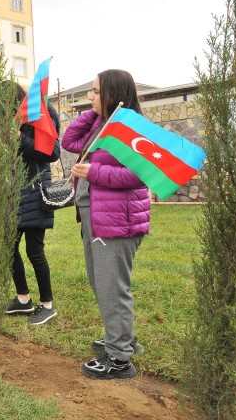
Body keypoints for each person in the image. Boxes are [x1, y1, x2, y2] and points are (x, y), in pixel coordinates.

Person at [61, 69, 150, 379]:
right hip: (95, 217)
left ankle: (119, 358)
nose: (90, 96)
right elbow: (69, 140)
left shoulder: (131, 129)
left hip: (116, 222)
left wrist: (94, 174)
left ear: (112, 93)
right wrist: (94, 113)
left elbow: (139, 175)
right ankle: (121, 337)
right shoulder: (104, 124)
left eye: (96, 92)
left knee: (112, 288)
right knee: (103, 284)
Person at [5, 83, 61, 325]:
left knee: (34, 250)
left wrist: (20, 138)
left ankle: (47, 304)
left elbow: (53, 153)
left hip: (35, 192)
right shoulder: (7, 122)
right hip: (12, 194)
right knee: (9, 248)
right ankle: (24, 299)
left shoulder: (38, 118)